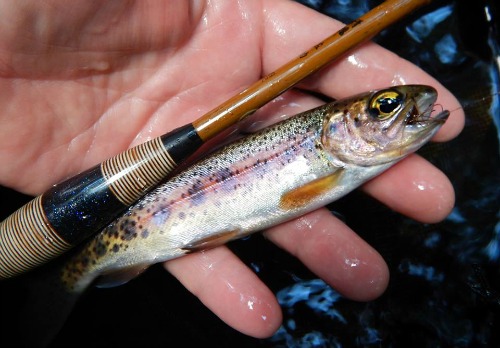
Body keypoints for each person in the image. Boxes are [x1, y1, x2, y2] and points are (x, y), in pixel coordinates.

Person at [0, 0, 464, 339]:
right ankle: (62, 284)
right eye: (385, 106)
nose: (408, 105)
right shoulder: (327, 155)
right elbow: (296, 197)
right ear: (334, 128)